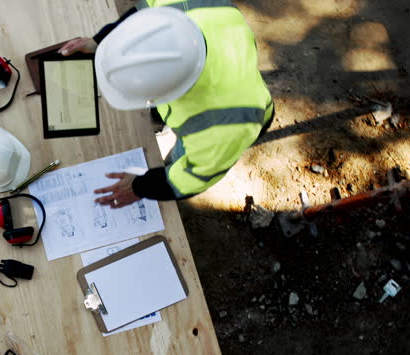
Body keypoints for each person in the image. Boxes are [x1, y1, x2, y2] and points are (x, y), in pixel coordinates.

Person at [60, 0, 274, 208]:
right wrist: (100, 42)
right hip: (232, 72)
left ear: (167, 94)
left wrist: (139, 187)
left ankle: (172, 157)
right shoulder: (187, 6)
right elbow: (144, 12)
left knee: (179, 160)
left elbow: (191, 177)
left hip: (245, 112)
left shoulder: (218, 129)